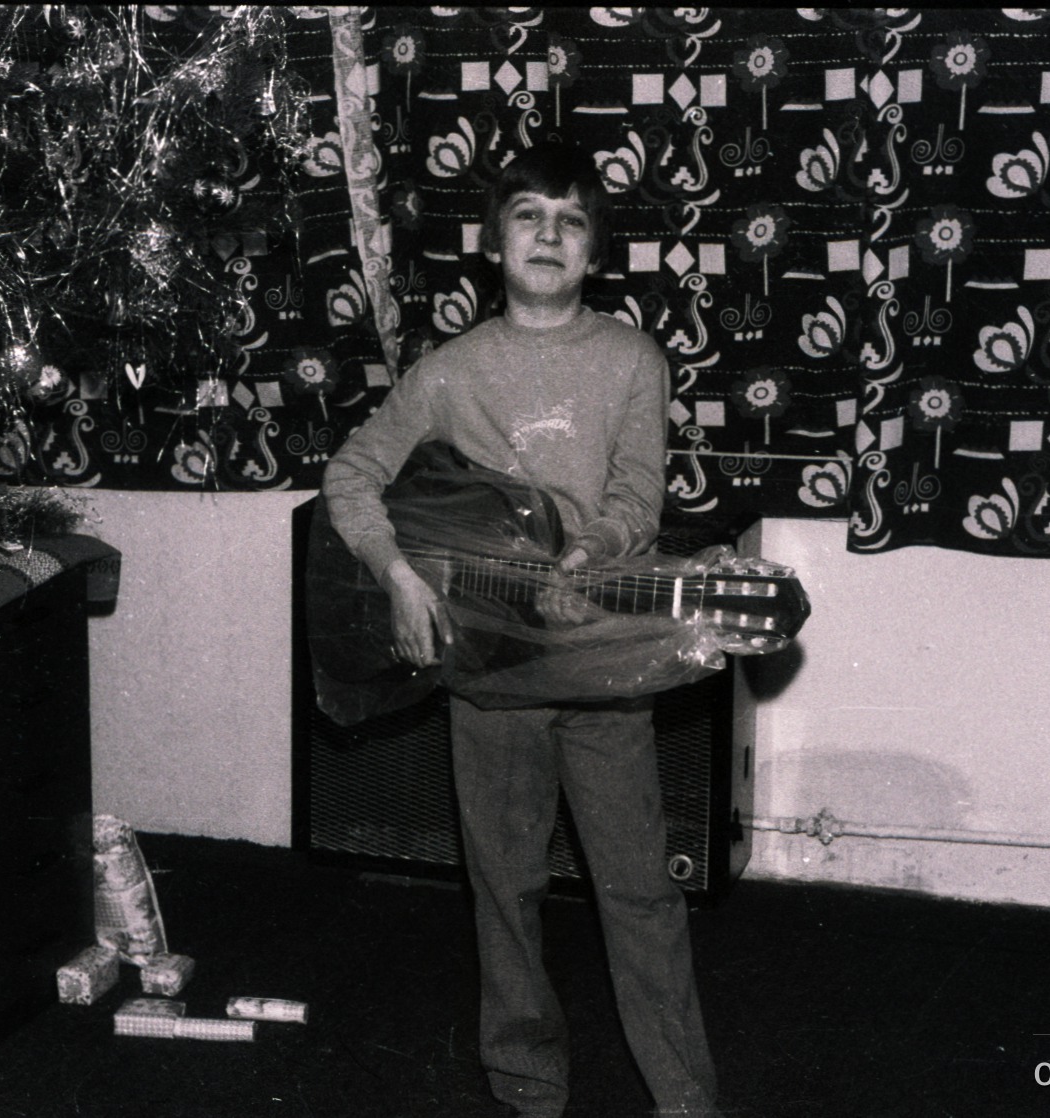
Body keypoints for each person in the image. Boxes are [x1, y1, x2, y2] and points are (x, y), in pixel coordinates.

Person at [321, 143, 718, 1118]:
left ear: (594, 250)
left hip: (595, 663)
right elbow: (352, 475)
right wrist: (399, 573)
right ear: (494, 240)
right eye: (530, 215)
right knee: (504, 890)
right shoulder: (449, 373)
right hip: (485, 670)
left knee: (640, 891)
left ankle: (686, 1097)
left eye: (572, 219)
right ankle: (530, 1089)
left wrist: (596, 548)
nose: (549, 233)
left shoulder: (633, 359)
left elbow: (637, 491)